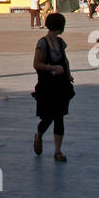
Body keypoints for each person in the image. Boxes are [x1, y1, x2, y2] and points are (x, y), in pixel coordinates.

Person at [31, 12, 73, 162]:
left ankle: (57, 151)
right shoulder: (42, 43)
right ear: (59, 26)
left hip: (61, 86)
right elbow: (36, 64)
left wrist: (68, 75)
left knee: (59, 117)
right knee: (48, 118)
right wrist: (52, 68)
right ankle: (39, 134)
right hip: (47, 86)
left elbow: (65, 61)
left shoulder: (61, 43)